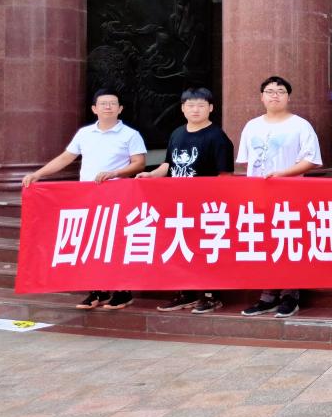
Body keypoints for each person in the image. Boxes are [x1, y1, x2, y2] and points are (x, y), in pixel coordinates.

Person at [22, 88, 147, 310]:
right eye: (103, 103)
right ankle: (97, 290)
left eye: (113, 103)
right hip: (88, 196)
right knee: (92, 242)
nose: (108, 107)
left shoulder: (130, 134)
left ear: (120, 109)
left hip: (117, 196)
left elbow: (139, 163)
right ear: (94, 108)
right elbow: (65, 158)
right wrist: (38, 174)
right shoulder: (84, 134)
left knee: (116, 242)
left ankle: (122, 291)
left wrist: (115, 173)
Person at [137, 87, 234, 315]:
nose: (195, 110)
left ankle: (211, 295)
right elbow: (168, 165)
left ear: (211, 108)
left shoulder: (218, 137)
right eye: (190, 105)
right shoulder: (177, 133)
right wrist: (151, 175)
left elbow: (225, 176)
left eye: (201, 105)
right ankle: (186, 292)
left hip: (206, 207)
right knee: (181, 248)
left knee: (206, 250)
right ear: (182, 109)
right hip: (178, 206)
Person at [236, 76, 323, 319]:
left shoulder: (300, 125)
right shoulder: (252, 126)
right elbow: (246, 162)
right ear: (261, 96)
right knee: (264, 244)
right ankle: (267, 295)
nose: (275, 95)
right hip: (258, 196)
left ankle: (290, 295)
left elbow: (312, 159)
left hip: (290, 195)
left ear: (288, 97)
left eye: (281, 91)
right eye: (270, 91)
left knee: (288, 242)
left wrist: (283, 174)